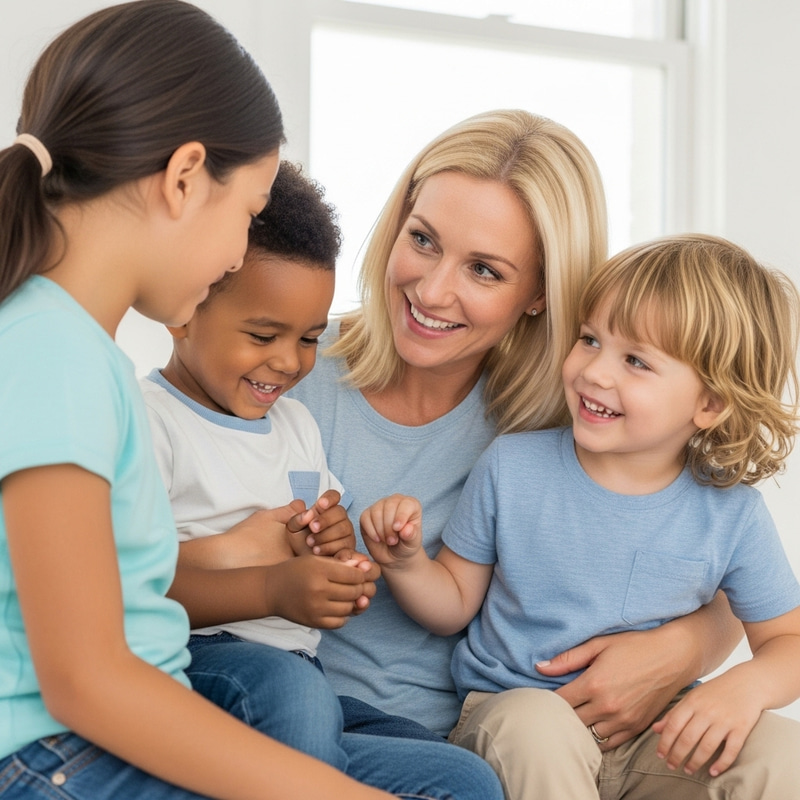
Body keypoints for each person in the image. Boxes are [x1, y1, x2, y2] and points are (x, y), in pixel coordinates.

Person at [0, 3, 499, 800]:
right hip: (62, 761)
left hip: (111, 737)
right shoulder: (52, 352)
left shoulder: (73, 350)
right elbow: (85, 680)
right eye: (249, 213)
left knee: (455, 785)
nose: (239, 253)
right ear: (184, 178)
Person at [284, 110, 744, 742]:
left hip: (467, 747)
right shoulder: (285, 364)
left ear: (540, 294)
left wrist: (683, 648)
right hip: (284, 713)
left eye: (484, 270)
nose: (432, 291)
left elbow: (717, 558)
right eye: (423, 239)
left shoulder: (574, 418)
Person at [361, 233, 800, 799]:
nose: (595, 372)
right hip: (514, 718)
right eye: (590, 339)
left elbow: (788, 640)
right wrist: (405, 563)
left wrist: (745, 687)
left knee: (784, 755)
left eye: (635, 360)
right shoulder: (513, 467)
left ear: (710, 404)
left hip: (652, 735)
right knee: (534, 727)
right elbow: (452, 606)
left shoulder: (732, 513)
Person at [142, 159, 475, 780]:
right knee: (293, 696)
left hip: (302, 676)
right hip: (196, 667)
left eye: (308, 338)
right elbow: (127, 590)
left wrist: (335, 550)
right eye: (263, 335)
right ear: (184, 311)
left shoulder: (295, 424)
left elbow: (319, 527)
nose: (289, 363)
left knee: (461, 775)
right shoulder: (148, 422)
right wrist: (272, 590)